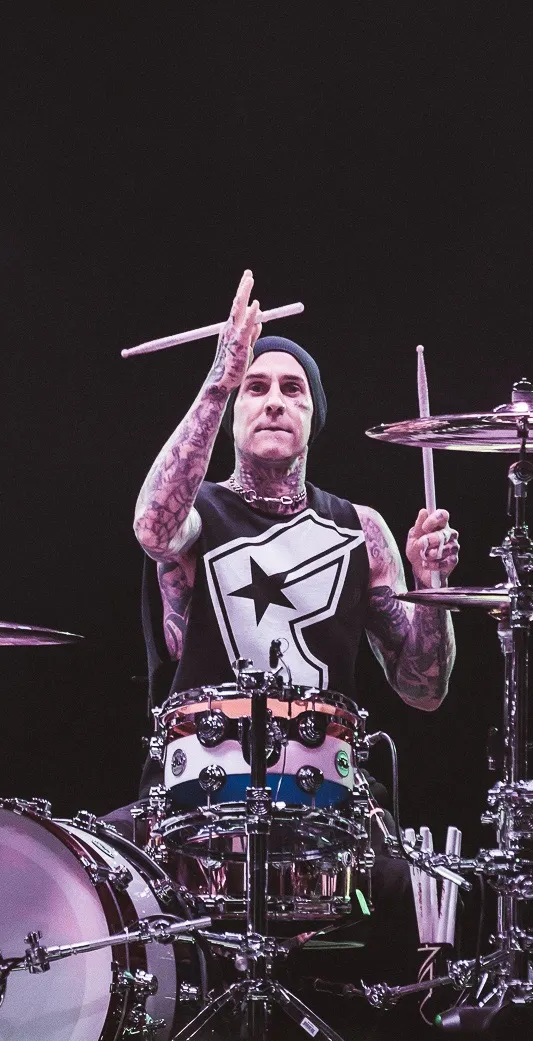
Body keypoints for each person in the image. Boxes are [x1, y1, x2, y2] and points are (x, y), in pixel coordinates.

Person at [123, 269, 460, 970]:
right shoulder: (197, 514)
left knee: (445, 902)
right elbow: (152, 528)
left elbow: (424, 690)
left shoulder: (361, 529)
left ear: (313, 415)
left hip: (328, 809)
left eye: (292, 389)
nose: (274, 400)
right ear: (233, 411)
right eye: (257, 387)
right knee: (90, 883)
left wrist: (433, 589)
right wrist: (219, 378)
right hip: (195, 803)